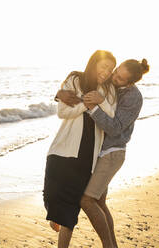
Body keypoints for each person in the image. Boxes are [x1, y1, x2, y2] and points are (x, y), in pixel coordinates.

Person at [56, 58, 150, 248]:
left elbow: (115, 128)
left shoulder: (134, 98)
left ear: (130, 82)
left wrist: (94, 106)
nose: (114, 78)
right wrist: (59, 94)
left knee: (87, 200)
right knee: (99, 202)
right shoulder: (111, 83)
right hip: (96, 151)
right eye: (115, 72)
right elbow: (85, 87)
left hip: (112, 152)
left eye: (121, 79)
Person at [43, 50, 117, 248]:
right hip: (62, 151)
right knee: (51, 197)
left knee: (70, 213)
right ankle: (55, 214)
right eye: (104, 66)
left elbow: (112, 117)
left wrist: (100, 101)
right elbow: (62, 112)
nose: (107, 72)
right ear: (94, 63)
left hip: (87, 159)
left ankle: (60, 220)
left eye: (110, 69)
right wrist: (86, 103)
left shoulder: (108, 90)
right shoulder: (75, 79)